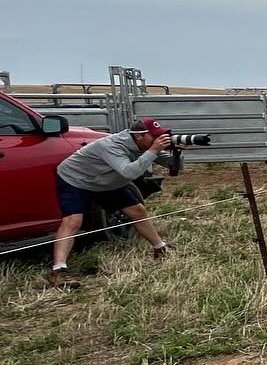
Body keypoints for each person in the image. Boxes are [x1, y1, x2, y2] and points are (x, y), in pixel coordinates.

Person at [48, 117, 173, 288]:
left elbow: (174, 167)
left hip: (105, 181)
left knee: (137, 210)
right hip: (75, 179)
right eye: (155, 135)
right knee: (73, 221)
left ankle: (160, 248)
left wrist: (176, 153)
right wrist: (153, 151)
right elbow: (129, 173)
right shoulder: (112, 146)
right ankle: (58, 271)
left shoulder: (145, 145)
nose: (159, 139)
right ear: (139, 136)